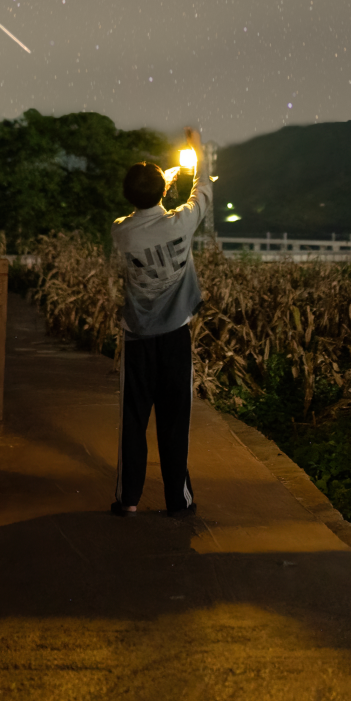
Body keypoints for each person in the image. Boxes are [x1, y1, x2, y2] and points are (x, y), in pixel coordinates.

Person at [110, 126, 211, 517]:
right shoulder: (181, 223)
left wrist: (160, 187)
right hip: (174, 337)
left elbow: (144, 211)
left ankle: (129, 498)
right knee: (175, 419)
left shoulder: (121, 232)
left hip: (137, 337)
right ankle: (177, 500)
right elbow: (202, 190)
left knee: (133, 418)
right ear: (163, 192)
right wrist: (197, 149)